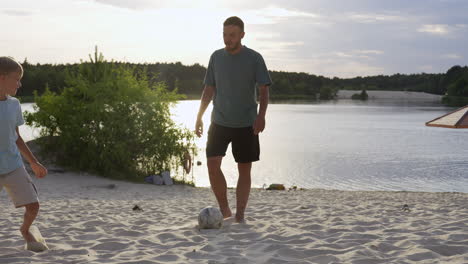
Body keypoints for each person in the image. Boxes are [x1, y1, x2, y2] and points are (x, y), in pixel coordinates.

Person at [195, 16, 272, 222]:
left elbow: (264, 91)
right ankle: (225, 210)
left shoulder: (254, 58)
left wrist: (261, 117)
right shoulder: (216, 57)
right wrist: (199, 117)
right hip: (219, 121)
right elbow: (208, 89)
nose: (227, 39)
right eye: (224, 35)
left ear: (242, 35)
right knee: (212, 165)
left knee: (244, 170)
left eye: (232, 35)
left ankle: (240, 215)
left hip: (246, 123)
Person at [0, 56, 48, 247]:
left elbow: (17, 136)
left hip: (13, 165)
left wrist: (33, 162)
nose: (19, 84)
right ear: (1, 77)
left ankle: (25, 229)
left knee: (34, 205)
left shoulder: (14, 104)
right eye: (16, 78)